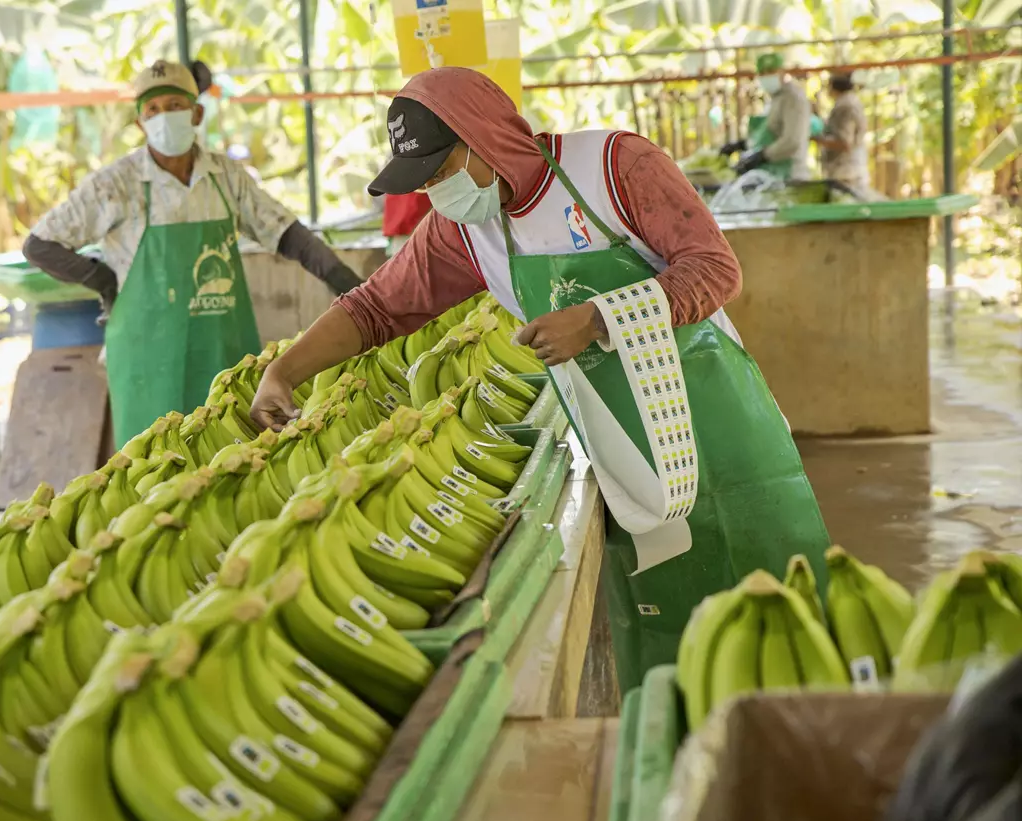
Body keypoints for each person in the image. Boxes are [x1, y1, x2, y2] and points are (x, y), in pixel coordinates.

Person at [249, 66, 830, 692]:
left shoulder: (612, 168)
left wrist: (600, 319)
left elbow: (716, 269)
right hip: (621, 446)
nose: (437, 194)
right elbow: (376, 308)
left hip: (713, 418)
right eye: (427, 183)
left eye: (442, 173)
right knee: (671, 630)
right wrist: (284, 371)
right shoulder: (465, 231)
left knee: (775, 608)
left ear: (484, 140)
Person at [22, 60, 365, 446]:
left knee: (236, 451)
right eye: (152, 110)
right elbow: (39, 245)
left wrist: (351, 288)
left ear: (196, 113)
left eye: (174, 106)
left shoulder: (225, 176)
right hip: (147, 359)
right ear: (139, 123)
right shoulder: (116, 184)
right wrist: (103, 280)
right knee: (154, 461)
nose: (163, 117)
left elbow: (287, 234)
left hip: (223, 347)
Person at [721, 52, 812, 180]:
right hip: (770, 176)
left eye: (771, 71)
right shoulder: (774, 99)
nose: (767, 76)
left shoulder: (793, 99)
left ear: (782, 71)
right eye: (762, 73)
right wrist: (743, 144)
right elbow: (768, 135)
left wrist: (762, 156)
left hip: (789, 176)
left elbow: (792, 141)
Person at [816, 70, 869, 192]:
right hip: (847, 171)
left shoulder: (845, 106)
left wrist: (817, 139)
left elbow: (844, 142)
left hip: (846, 173)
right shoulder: (849, 102)